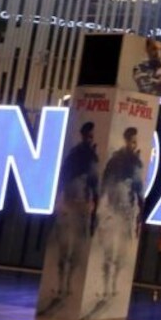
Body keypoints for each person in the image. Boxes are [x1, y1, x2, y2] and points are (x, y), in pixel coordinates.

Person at [49, 122, 99, 298]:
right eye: (88, 136)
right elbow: (64, 179)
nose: (89, 139)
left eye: (91, 136)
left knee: (77, 248)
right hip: (71, 204)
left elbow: (94, 183)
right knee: (66, 247)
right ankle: (62, 284)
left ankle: (66, 283)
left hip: (81, 205)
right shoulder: (77, 155)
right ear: (83, 135)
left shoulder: (89, 156)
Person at [97, 127, 145, 299]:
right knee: (109, 250)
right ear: (126, 141)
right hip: (114, 210)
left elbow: (139, 190)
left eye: (135, 142)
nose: (134, 144)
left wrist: (139, 214)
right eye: (132, 141)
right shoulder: (116, 161)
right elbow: (105, 185)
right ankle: (106, 287)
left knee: (122, 252)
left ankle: (113, 285)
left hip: (126, 212)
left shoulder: (134, 163)